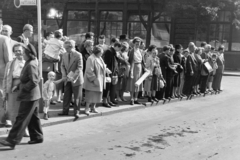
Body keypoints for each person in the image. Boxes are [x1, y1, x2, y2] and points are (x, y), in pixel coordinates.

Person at [0, 44, 43, 149]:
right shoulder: (29, 63)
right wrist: (18, 85)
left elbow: (34, 81)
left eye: (24, 53)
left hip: (30, 96)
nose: (22, 54)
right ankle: (37, 137)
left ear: (29, 54)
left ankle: (12, 140)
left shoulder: (31, 64)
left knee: (21, 118)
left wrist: (23, 88)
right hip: (33, 95)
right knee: (33, 117)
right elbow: (25, 79)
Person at [58, 40, 84, 119]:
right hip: (67, 78)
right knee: (66, 95)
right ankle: (65, 111)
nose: (65, 49)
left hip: (76, 79)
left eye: (66, 48)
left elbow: (79, 68)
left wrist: (73, 77)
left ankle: (76, 112)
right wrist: (64, 75)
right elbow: (62, 65)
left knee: (77, 96)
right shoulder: (64, 55)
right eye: (64, 48)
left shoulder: (78, 55)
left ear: (71, 47)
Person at [2, 44, 25, 127]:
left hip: (24, 88)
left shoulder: (28, 62)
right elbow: (5, 79)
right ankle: (16, 129)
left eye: (19, 50)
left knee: (23, 109)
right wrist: (5, 92)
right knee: (13, 110)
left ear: (23, 50)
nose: (18, 52)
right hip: (12, 88)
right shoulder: (10, 63)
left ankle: (24, 129)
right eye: (15, 51)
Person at [83, 46, 112, 115]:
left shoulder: (99, 57)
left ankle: (93, 108)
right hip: (92, 80)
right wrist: (94, 79)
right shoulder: (91, 58)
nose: (102, 54)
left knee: (97, 94)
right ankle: (87, 108)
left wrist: (107, 70)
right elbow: (89, 71)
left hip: (99, 79)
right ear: (97, 52)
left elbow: (103, 65)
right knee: (90, 95)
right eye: (101, 53)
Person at [128, 37, 146, 105]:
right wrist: (131, 70)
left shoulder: (141, 51)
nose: (137, 44)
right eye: (136, 43)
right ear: (134, 44)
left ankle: (136, 98)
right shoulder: (131, 51)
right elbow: (130, 61)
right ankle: (132, 98)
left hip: (140, 67)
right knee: (133, 83)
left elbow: (143, 61)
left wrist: (145, 68)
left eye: (139, 43)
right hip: (134, 66)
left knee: (138, 83)